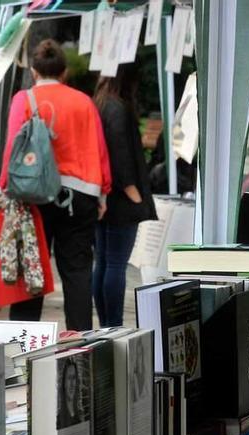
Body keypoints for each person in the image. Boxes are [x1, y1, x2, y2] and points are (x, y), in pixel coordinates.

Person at [0, 39, 111, 331]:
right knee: (77, 272)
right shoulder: (84, 102)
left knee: (30, 271)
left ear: (34, 72)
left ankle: (21, 343)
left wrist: (4, 187)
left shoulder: (23, 99)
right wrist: (103, 193)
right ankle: (81, 343)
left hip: (33, 195)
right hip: (81, 195)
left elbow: (12, 147)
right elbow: (99, 150)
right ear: (64, 73)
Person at [92, 64, 157, 327]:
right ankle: (114, 324)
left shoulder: (99, 102)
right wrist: (134, 193)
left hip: (102, 196)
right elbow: (120, 153)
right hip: (121, 198)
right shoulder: (118, 108)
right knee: (116, 264)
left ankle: (107, 322)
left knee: (104, 262)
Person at [57, 358, 82, 429]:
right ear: (64, 383)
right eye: (69, 378)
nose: (71, 384)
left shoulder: (81, 414)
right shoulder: (59, 420)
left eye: (74, 378)